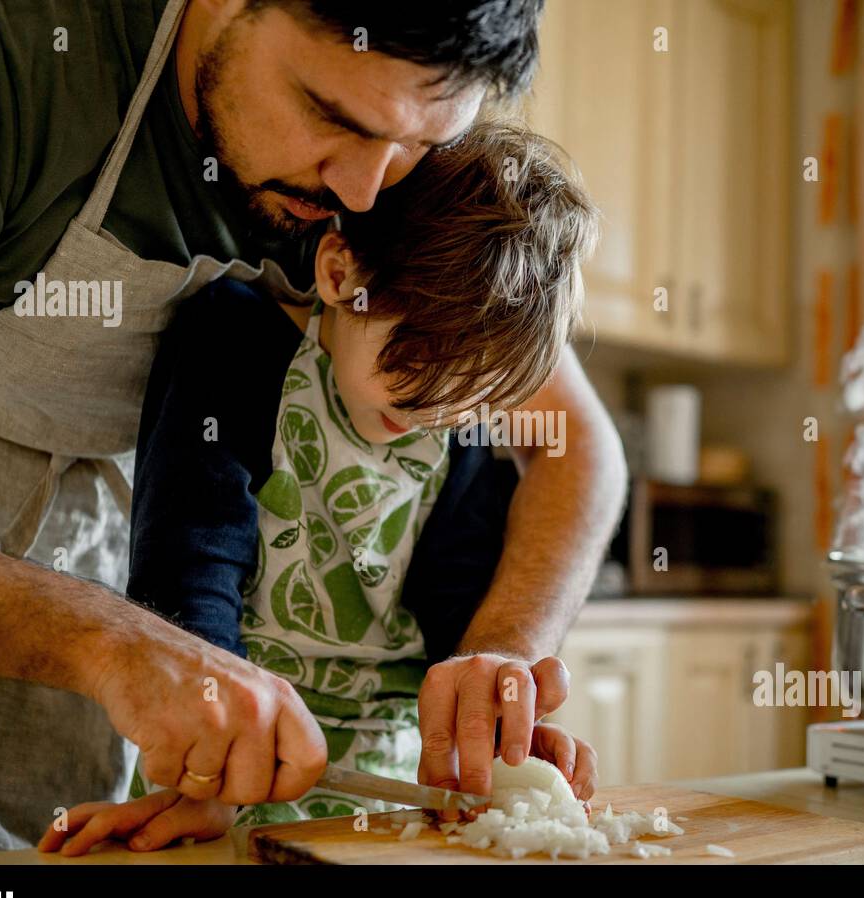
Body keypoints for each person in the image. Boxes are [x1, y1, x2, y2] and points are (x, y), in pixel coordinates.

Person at [0, 0, 626, 863]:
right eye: (330, 118)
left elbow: (578, 447)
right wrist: (114, 643)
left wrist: (500, 662)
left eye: (413, 146)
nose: (365, 194)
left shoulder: (392, 121)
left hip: (105, 551)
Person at [40, 122, 602, 854]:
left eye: (466, 406)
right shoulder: (232, 341)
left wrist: (499, 735)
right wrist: (205, 774)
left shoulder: (446, 422)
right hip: (233, 758)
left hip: (395, 778)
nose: (431, 420)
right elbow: (190, 557)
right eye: (418, 379)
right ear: (341, 276)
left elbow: (456, 601)